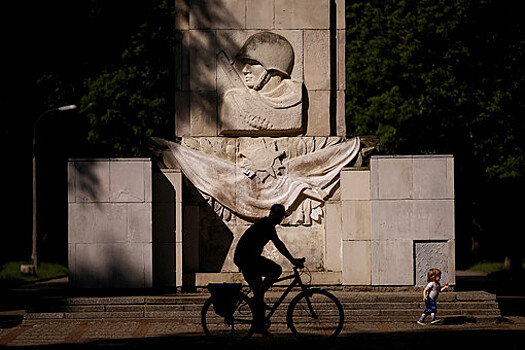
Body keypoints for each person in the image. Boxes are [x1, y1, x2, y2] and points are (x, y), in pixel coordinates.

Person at [234, 203, 304, 337]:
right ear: (271, 213)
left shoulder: (267, 224)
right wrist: (292, 260)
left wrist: (292, 259)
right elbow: (278, 244)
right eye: (277, 213)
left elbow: (278, 244)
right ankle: (257, 298)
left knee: (259, 295)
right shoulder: (266, 224)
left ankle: (259, 326)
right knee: (276, 270)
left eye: (281, 215)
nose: (279, 217)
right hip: (246, 259)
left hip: (248, 259)